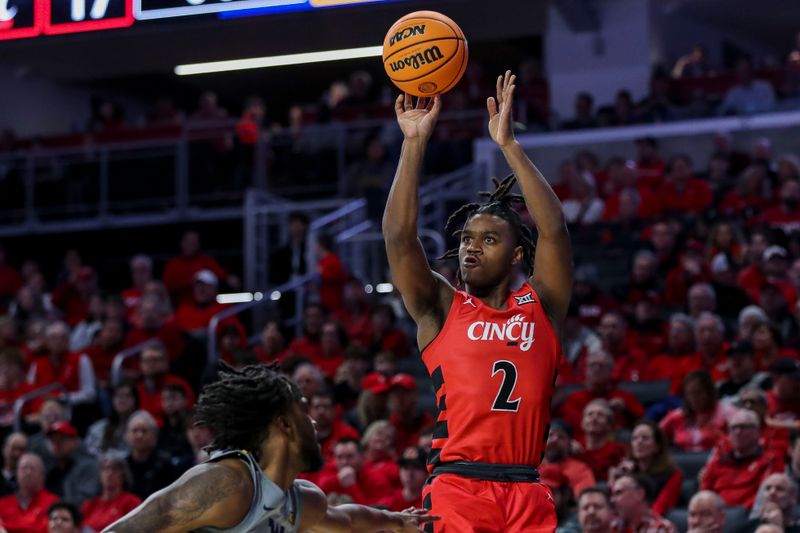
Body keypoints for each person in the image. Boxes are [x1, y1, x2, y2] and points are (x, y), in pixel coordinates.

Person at [383, 70, 571, 531]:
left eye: (488, 240)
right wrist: (413, 144)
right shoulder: (441, 307)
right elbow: (399, 237)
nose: (470, 247)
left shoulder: (542, 304)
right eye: (467, 238)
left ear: (517, 254)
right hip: (457, 485)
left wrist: (509, 145)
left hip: (527, 488)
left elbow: (555, 231)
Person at [103, 364, 436, 532]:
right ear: (285, 425)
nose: (316, 423)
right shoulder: (226, 482)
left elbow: (346, 520)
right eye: (305, 412)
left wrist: (394, 520)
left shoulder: (298, 499)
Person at [700, 409, 783, 508]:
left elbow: (765, 497)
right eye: (734, 428)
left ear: (757, 432)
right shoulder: (718, 462)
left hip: (749, 517)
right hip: (715, 515)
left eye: (744, 427)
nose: (738, 432)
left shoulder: (769, 461)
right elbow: (704, 493)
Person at [609, 421, 682, 516]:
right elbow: (613, 507)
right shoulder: (627, 472)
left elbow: (660, 508)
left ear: (657, 446)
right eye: (635, 438)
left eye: (645, 438)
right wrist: (615, 482)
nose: (639, 442)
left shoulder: (672, 474)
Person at [80, 455, 141, 532]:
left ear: (123, 475)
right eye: (105, 469)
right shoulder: (88, 506)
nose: (109, 473)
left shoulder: (131, 502)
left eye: (115, 469)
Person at [0, 452, 58, 533]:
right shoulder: (2, 504)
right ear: (16, 473)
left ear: (42, 475)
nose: (28, 472)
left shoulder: (54, 503)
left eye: (32, 468)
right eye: (24, 468)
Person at [609, 473, 678, 533]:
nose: (612, 500)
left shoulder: (661, 528)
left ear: (639, 494)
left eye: (618, 493)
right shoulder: (612, 526)